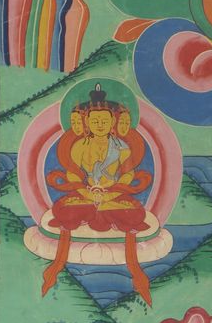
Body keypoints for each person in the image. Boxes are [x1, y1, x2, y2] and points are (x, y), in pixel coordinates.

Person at [42, 85, 153, 303]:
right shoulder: (79, 147)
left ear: (113, 122)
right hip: (87, 195)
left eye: (104, 121)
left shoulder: (122, 148)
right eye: (95, 121)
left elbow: (127, 175)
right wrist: (86, 192)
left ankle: (134, 269)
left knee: (135, 212)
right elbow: (73, 174)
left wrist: (110, 195)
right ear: (87, 123)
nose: (100, 125)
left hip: (113, 195)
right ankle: (57, 265)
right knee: (63, 208)